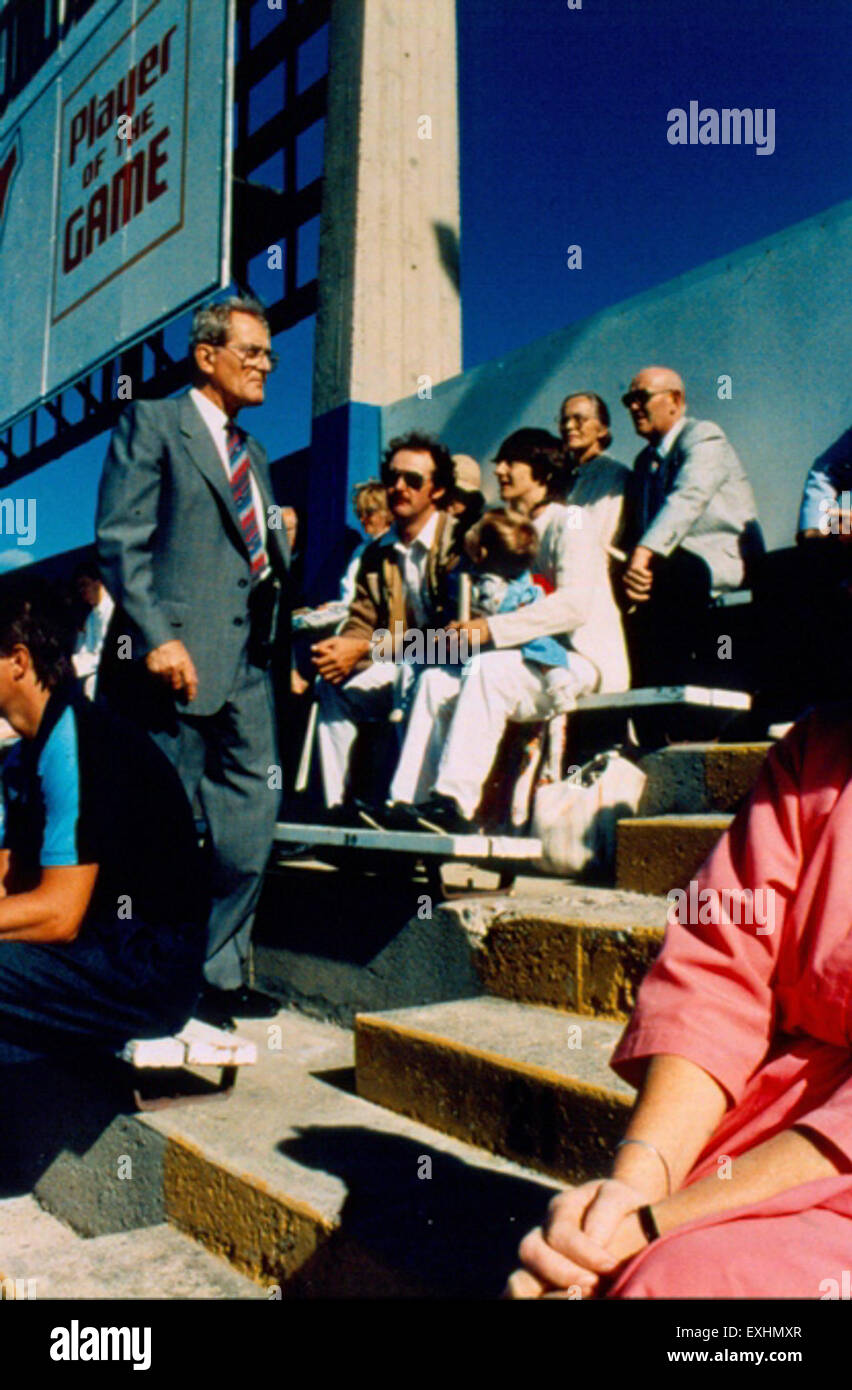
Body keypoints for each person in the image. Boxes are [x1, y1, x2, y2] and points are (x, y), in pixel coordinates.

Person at [507, 705, 852, 1299]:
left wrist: (656, 1225)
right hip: (775, 1131)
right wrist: (633, 1191)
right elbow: (717, 975)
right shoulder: (820, 749)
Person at [96, 295, 289, 1029]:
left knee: (248, 829)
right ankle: (142, 976)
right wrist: (154, 635)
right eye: (253, 351)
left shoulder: (256, 455)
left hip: (245, 666)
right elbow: (121, 539)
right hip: (168, 665)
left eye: (271, 353)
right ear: (207, 356)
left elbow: (254, 558)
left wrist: (282, 538)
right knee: (159, 833)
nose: (267, 363)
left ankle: (216, 970)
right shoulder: (152, 423)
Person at [0, 578, 205, 1068]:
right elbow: (8, 882)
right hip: (92, 953)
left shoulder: (78, 741)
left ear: (19, 661)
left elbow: (59, 914)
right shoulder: (21, 755)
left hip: (148, 970)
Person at [387, 430, 629, 828]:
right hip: (520, 659)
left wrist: (487, 630)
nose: (498, 469)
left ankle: (454, 805)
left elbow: (573, 606)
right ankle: (405, 806)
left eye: (510, 461)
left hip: (577, 661)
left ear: (542, 472)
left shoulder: (572, 519)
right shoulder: (503, 525)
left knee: (490, 672)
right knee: (434, 680)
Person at [311, 433, 460, 812]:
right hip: (401, 662)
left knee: (419, 678)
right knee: (332, 687)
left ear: (437, 490)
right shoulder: (378, 553)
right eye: (392, 478)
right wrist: (343, 650)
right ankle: (337, 808)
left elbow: (457, 638)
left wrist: (366, 647)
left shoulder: (459, 542)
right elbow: (362, 619)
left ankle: (411, 808)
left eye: (413, 480)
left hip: (458, 667)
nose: (398, 487)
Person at [620, 366, 762, 687]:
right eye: (628, 399)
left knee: (670, 575)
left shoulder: (704, 437)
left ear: (675, 399)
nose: (632, 407)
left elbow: (690, 496)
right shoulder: (643, 463)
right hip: (669, 567)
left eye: (641, 397)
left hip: (716, 560)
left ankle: (678, 693)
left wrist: (642, 556)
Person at [292, 481, 392, 636]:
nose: (363, 519)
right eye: (359, 514)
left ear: (388, 511)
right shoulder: (361, 549)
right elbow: (350, 597)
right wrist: (333, 607)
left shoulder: (395, 547)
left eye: (369, 512)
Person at [558, 391, 629, 554]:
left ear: (602, 429)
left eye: (579, 419)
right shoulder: (566, 476)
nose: (569, 426)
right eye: (564, 420)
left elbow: (600, 535)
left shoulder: (613, 475)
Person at [71, 559, 114, 700]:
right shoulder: (90, 617)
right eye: (79, 588)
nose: (82, 592)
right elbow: (87, 651)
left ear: (98, 582)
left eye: (85, 585)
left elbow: (122, 653)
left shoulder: (115, 610)